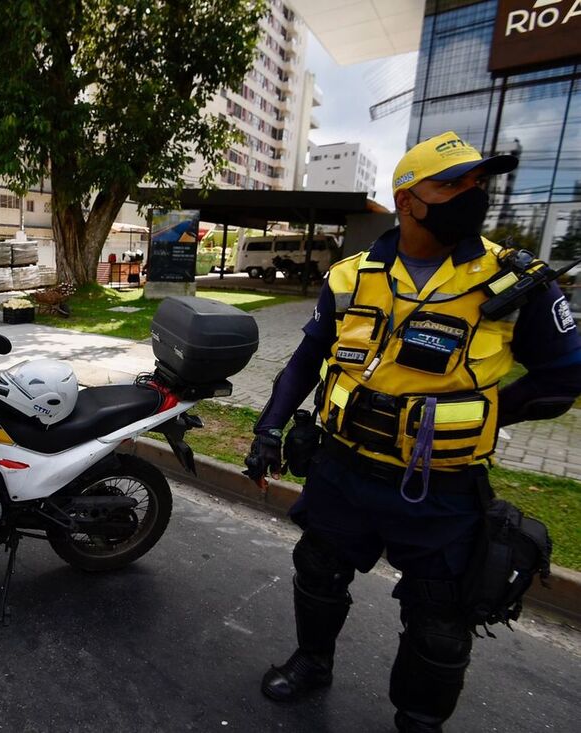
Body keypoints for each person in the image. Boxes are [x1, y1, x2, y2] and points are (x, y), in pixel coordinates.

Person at [247, 131, 581, 732]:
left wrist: (485, 412)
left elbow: (564, 376)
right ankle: (313, 662)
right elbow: (306, 359)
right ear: (407, 200)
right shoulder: (352, 276)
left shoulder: (515, 283)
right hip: (341, 468)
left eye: (477, 183)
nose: (471, 194)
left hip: (440, 487)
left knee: (439, 618)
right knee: (318, 571)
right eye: (452, 184)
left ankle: (418, 720)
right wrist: (268, 429)